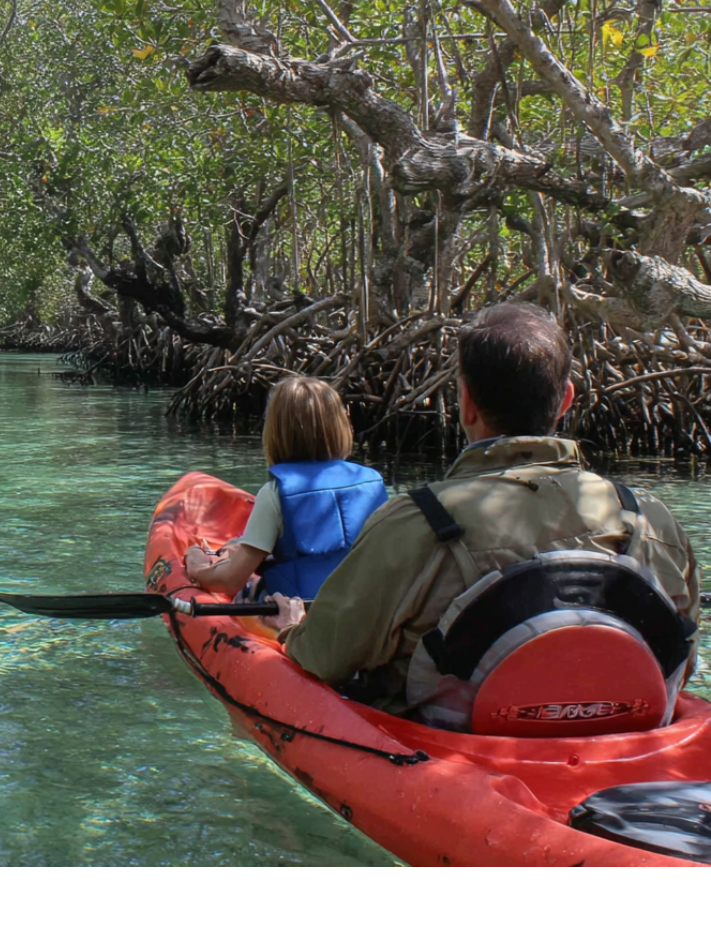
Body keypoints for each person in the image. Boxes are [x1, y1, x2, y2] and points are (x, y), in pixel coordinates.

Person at [268, 303, 698, 730]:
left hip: (455, 753)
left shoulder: (413, 522)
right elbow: (686, 658)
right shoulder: (649, 516)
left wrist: (292, 630)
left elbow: (324, 660)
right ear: (565, 399)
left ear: (466, 403)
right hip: (632, 742)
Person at [186, 376, 387, 601]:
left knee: (249, 588)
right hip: (367, 609)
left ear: (275, 431)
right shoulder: (373, 483)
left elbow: (230, 580)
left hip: (302, 616)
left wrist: (197, 566)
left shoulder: (275, 494)